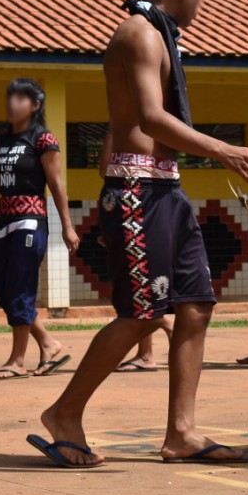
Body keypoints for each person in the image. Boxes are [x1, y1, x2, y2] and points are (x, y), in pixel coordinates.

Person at [28, 0, 248, 468]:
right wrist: (224, 149)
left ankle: (182, 432)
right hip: (138, 191)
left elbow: (138, 120)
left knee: (197, 306)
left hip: (164, 188)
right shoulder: (138, 33)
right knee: (141, 314)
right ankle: (64, 412)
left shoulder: (158, 34)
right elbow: (152, 118)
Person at [0, 78, 79, 380]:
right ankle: (48, 343)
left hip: (31, 222)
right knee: (4, 293)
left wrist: (68, 227)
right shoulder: (1, 142)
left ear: (35, 105)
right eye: (10, 97)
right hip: (3, 222)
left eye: (20, 98)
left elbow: (57, 184)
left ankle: (17, 360)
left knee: (21, 290)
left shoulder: (43, 139)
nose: (12, 103)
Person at [97, 132, 174, 373]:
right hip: (134, 213)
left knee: (138, 287)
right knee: (138, 286)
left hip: (138, 215)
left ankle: (166, 333)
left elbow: (105, 169)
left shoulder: (141, 130)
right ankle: (145, 353)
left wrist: (114, 128)